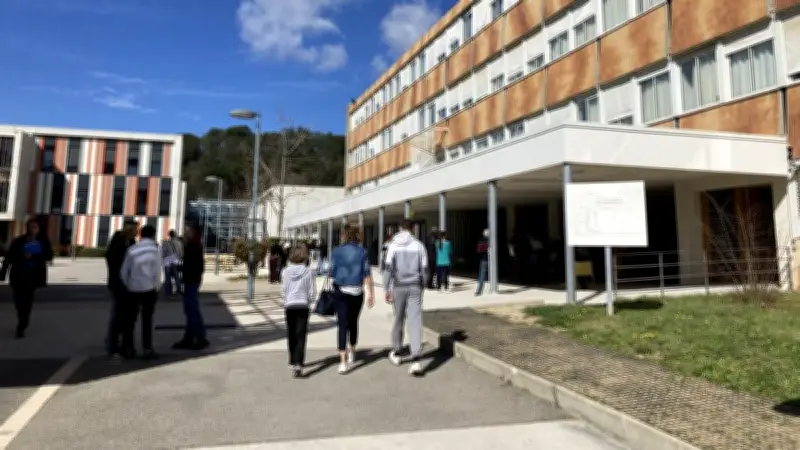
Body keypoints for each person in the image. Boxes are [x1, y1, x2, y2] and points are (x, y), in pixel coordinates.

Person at [384, 219, 428, 376]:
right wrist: (423, 285)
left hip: (398, 286)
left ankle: (396, 352)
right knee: (415, 320)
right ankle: (416, 359)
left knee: (398, 319)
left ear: (399, 228)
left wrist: (386, 289)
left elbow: (388, 269)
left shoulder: (393, 246)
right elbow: (425, 269)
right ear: (413, 229)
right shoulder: (419, 245)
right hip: (415, 286)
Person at [329, 224, 375, 374]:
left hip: (341, 290)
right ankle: (352, 349)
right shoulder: (363, 252)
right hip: (357, 291)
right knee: (353, 322)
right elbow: (367, 273)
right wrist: (371, 293)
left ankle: (342, 362)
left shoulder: (336, 251)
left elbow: (332, 271)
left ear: (344, 235)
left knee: (342, 324)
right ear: (357, 236)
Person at [0, 218, 53, 338]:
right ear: (27, 228)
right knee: (18, 302)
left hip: (32, 278)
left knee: (27, 302)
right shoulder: (18, 241)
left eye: (35, 227)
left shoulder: (43, 241)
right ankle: (21, 318)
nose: (32, 229)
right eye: (31, 226)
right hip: (18, 276)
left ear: (39, 229)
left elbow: (49, 256)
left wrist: (37, 249)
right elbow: (8, 258)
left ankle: (22, 324)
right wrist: (3, 274)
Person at [119, 225, 161, 359]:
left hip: (132, 289)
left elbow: (123, 272)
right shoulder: (155, 251)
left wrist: (129, 284)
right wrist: (156, 287)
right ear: (153, 235)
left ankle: (128, 348)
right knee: (147, 320)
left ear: (141, 235)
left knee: (129, 321)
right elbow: (158, 273)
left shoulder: (132, 249)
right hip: (149, 289)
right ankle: (147, 348)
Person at [281, 244, 316, 378]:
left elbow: (283, 291)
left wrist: (286, 299)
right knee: (301, 335)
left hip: (290, 305)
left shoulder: (285, 271)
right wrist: (310, 300)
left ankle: (292, 359)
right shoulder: (309, 271)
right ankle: (299, 363)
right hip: (303, 305)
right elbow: (312, 292)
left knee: (291, 334)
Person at [172, 222, 209, 350]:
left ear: (193, 232)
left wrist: (180, 267)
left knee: (192, 310)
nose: (185, 232)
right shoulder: (192, 244)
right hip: (191, 280)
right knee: (190, 310)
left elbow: (195, 266)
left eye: (187, 230)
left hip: (191, 281)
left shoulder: (193, 246)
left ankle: (198, 338)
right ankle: (192, 337)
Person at [104, 220, 137, 354]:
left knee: (126, 314)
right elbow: (111, 258)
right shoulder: (118, 239)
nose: (136, 233)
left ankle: (123, 342)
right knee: (117, 313)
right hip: (118, 283)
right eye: (134, 229)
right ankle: (112, 342)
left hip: (129, 284)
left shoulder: (132, 243)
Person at [161, 229, 183, 297]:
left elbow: (163, 252)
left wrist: (163, 259)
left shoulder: (166, 243)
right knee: (176, 276)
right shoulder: (179, 243)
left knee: (167, 277)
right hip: (175, 261)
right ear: (175, 235)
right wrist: (179, 259)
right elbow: (181, 253)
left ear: (169, 235)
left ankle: (168, 291)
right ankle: (178, 290)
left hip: (167, 261)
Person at [475, 229, 490, 296]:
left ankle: (479, 291)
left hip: (483, 259)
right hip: (491, 260)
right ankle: (493, 288)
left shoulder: (481, 241)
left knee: (482, 275)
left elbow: (478, 250)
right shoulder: (492, 241)